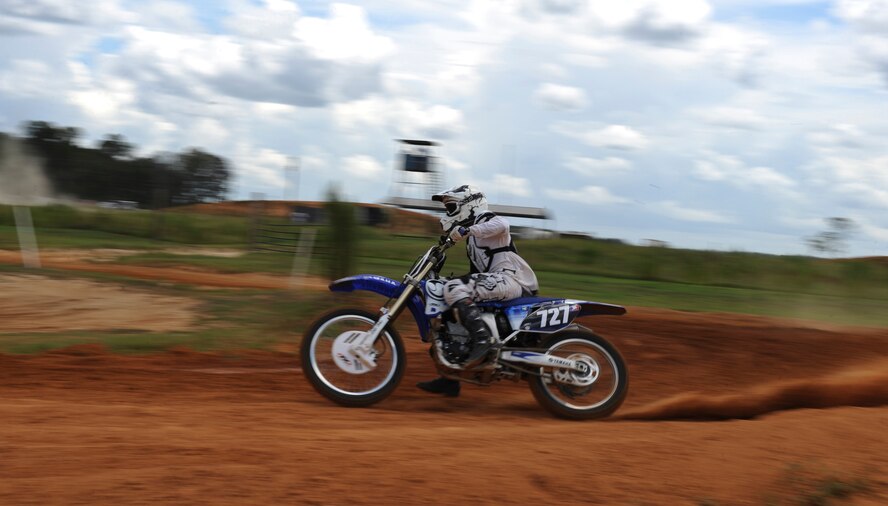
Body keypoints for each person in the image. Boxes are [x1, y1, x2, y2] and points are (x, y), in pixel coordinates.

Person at [417, 184, 539, 397]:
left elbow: (503, 224)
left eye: (451, 207)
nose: (448, 212)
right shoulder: (472, 241)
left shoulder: (486, 219)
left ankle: (483, 340)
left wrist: (468, 230)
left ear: (470, 205)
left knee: (454, 287)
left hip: (512, 280)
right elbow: (476, 276)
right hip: (498, 281)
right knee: (448, 294)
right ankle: (450, 380)